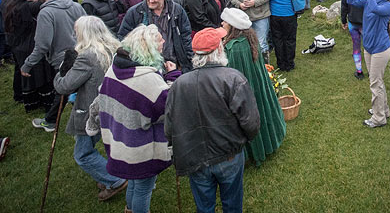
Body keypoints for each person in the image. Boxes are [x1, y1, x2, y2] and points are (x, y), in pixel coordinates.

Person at [165, 26, 260, 213]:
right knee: (232, 204)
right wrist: (245, 140)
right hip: (229, 155)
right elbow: (251, 123)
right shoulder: (233, 79)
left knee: (204, 207)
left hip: (194, 157)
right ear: (218, 50)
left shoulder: (179, 84)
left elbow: (169, 126)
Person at [93, 24, 180, 213]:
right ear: (147, 46)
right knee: (143, 187)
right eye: (159, 39)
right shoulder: (146, 80)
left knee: (134, 181)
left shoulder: (115, 69)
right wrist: (173, 76)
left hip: (121, 140)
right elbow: (170, 109)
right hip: (140, 147)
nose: (163, 41)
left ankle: (129, 209)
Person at [53, 16, 128, 201]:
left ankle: (115, 179)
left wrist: (62, 69)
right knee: (106, 143)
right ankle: (108, 173)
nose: (74, 34)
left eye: (77, 31)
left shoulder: (87, 57)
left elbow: (64, 86)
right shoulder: (116, 48)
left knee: (83, 154)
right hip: (114, 106)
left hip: (91, 111)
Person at [221, 8, 286, 165]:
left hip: (245, 90)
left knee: (247, 116)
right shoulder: (249, 37)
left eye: (225, 22)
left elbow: (234, 76)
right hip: (256, 84)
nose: (222, 23)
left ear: (233, 26)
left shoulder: (235, 48)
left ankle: (254, 151)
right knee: (261, 109)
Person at [21, 0, 86, 132]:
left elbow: (42, 44)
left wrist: (27, 64)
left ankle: (50, 122)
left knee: (62, 91)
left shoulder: (46, 12)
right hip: (82, 52)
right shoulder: (76, 6)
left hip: (63, 58)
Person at [347, 0, 390, 127]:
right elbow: (351, 0)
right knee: (376, 81)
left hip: (380, 48)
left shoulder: (388, 5)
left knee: (375, 83)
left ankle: (378, 118)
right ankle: (383, 110)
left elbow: (375, 8)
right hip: (368, 47)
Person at [118, 0, 194, 72]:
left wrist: (188, 61)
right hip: (146, 66)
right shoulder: (135, 12)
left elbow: (186, 37)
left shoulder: (177, 11)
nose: (150, 0)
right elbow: (124, 38)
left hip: (175, 64)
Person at [4, 0, 55, 111]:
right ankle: (43, 102)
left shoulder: (15, 5)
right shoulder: (27, 7)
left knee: (27, 74)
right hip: (29, 45)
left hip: (20, 45)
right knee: (39, 74)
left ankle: (29, 100)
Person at [268, 0, 308, 71]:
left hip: (275, 13)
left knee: (277, 38)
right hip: (290, 12)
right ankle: (289, 63)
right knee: (290, 38)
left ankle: (280, 63)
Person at [341, 0, 368, 79]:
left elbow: (344, 5)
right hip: (366, 21)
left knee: (356, 46)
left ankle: (359, 70)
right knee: (368, 46)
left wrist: (343, 20)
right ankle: (372, 69)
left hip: (353, 20)